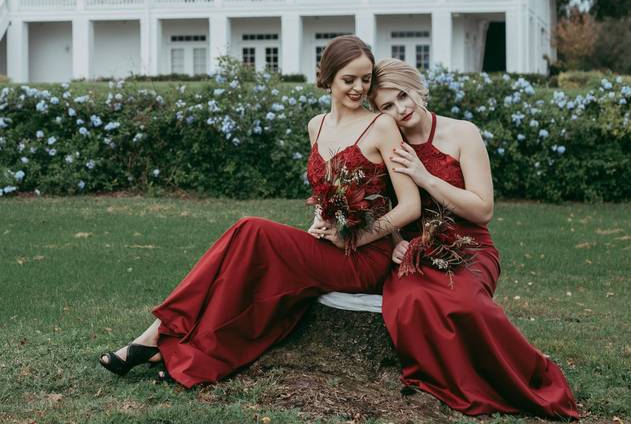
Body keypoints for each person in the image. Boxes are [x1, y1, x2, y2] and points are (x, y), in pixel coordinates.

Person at [98, 35, 421, 387]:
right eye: (349, 79)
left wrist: (357, 235)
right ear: (327, 78)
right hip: (329, 245)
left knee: (250, 230)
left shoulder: (382, 126)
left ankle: (159, 332)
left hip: (363, 257)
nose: (359, 88)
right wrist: (322, 218)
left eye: (366, 79)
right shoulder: (318, 125)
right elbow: (327, 193)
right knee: (239, 257)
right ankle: (169, 341)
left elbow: (410, 205)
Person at [370, 58, 579, 419]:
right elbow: (378, 202)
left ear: (419, 89)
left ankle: (525, 377)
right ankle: (444, 382)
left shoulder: (463, 133)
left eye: (403, 96)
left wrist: (424, 177)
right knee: (409, 303)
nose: (400, 109)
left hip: (469, 246)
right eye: (387, 106)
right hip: (418, 249)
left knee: (466, 304)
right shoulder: (388, 143)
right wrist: (393, 243)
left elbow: (483, 210)